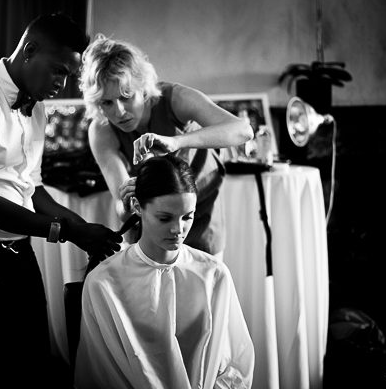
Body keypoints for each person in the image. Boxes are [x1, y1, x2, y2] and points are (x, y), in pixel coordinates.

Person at [0, 14, 122, 388]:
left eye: (69, 76)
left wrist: (81, 229)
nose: (61, 84)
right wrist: (62, 231)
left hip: (16, 253)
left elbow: (30, 187)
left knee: (29, 363)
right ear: (29, 51)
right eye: (57, 70)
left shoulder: (36, 109)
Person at [75, 155, 255, 389]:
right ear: (138, 207)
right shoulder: (104, 282)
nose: (178, 230)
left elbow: (236, 365)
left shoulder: (214, 275)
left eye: (187, 217)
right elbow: (100, 374)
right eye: (165, 218)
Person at [79, 35, 254, 256]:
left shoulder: (176, 99)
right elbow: (122, 209)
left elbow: (243, 130)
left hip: (197, 210)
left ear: (142, 88)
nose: (119, 111)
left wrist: (176, 142)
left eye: (126, 96)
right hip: (149, 218)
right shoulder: (101, 130)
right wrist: (125, 203)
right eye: (107, 102)